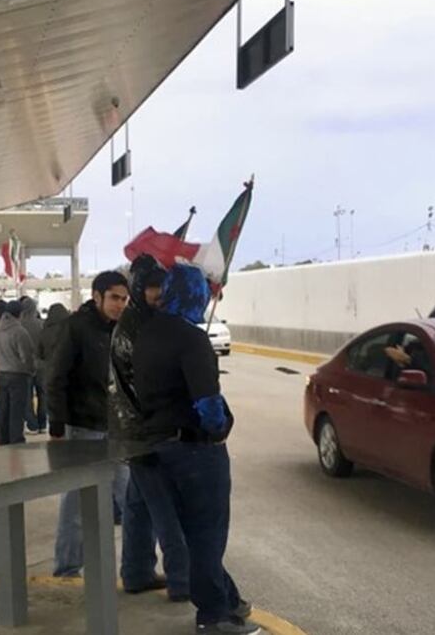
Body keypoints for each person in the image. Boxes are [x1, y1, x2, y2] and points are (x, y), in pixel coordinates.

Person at [134, 264, 259, 635]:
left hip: (157, 448)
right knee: (207, 534)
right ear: (196, 295)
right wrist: (220, 428)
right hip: (195, 451)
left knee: (192, 535)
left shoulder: (147, 334)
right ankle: (214, 616)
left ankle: (228, 599)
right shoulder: (191, 338)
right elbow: (207, 402)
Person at [110, 255, 191, 601]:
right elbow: (146, 383)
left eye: (163, 286)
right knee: (166, 508)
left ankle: (136, 572)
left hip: (133, 430)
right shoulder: (139, 328)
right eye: (154, 286)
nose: (160, 293)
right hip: (144, 432)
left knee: (138, 505)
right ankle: (182, 580)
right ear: (140, 287)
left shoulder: (139, 322)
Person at [47, 271, 131, 578]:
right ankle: (67, 568)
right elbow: (55, 378)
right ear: (97, 296)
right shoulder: (76, 328)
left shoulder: (120, 330)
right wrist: (56, 426)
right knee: (77, 503)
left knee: (131, 497)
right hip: (83, 427)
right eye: (114, 298)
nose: (119, 304)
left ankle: (135, 569)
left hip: (116, 428)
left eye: (124, 299)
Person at [0, 300, 36, 445]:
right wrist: (31, 370)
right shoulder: (20, 332)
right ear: (20, 314)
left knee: (3, 408)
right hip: (19, 375)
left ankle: (2, 439)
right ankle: (16, 439)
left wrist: (1, 363)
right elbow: (26, 356)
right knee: (17, 410)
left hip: (2, 374)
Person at [17, 297, 46, 434]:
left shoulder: (19, 325)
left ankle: (32, 424)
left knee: (27, 396)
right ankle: (43, 424)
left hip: (24, 366)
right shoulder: (41, 324)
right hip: (41, 365)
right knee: (42, 395)